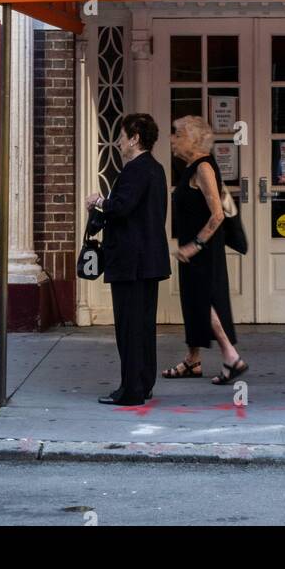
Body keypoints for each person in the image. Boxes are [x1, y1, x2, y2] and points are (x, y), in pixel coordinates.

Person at [87, 112, 170, 405]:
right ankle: (144, 383)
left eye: (122, 136)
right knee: (144, 327)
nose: (119, 142)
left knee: (129, 329)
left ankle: (131, 390)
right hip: (149, 261)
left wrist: (98, 202)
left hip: (131, 263)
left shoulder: (135, 170)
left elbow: (121, 208)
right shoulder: (156, 169)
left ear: (135, 138)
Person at [162, 114, 248, 386]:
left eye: (177, 133)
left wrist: (195, 246)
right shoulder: (191, 167)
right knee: (193, 301)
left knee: (204, 302)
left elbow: (217, 215)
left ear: (193, 138)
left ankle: (231, 357)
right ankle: (192, 360)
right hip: (193, 248)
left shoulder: (203, 168)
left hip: (202, 251)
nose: (172, 139)